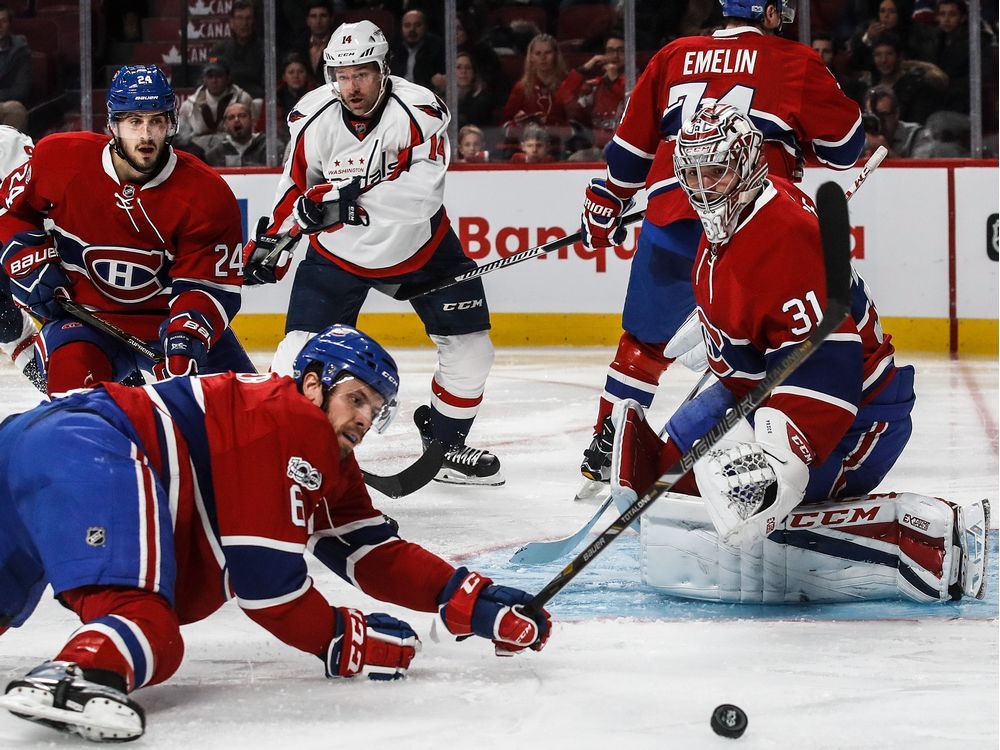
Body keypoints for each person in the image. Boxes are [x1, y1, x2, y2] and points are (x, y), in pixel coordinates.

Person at [0, 324, 551, 742]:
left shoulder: (312, 442)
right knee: (147, 626)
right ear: (313, 385)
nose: (363, 417)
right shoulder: (293, 423)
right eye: (355, 398)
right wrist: (342, 639)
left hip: (28, 437)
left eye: (375, 409)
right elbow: (265, 586)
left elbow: (370, 550)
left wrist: (467, 599)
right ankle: (75, 674)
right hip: (93, 444)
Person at [607, 103, 987, 606]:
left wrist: (781, 459)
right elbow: (763, 306)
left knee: (745, 512)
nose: (702, 188)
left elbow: (831, 368)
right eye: (691, 174)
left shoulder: (784, 234)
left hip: (859, 414)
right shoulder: (739, 216)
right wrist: (724, 335)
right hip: (765, 390)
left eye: (715, 172)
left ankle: (913, 539)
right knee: (669, 490)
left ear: (744, 164)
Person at [574, 0, 865, 498]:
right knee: (773, 342)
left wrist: (610, 197)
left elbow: (632, 146)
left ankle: (609, 446)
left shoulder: (673, 54)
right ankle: (773, 442)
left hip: (673, 204)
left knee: (644, 342)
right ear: (770, 12)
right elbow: (845, 149)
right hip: (757, 217)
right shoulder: (793, 60)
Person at [243, 21, 505, 486]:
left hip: (421, 250)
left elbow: (423, 195)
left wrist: (345, 202)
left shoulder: (419, 109)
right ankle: (284, 451)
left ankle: (447, 445)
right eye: (342, 76)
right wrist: (275, 245)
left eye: (362, 74)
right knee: (296, 356)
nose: (351, 86)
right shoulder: (313, 116)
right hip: (338, 257)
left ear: (383, 70)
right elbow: (296, 187)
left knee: (472, 350)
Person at [0, 65, 254, 397]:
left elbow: (206, 285)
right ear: (113, 124)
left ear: (170, 123)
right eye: (134, 121)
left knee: (246, 412)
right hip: (85, 322)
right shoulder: (59, 158)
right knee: (75, 416)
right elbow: (11, 210)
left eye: (156, 121)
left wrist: (185, 337)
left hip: (166, 322)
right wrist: (27, 257)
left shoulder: (208, 195)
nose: (146, 136)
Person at [0, 124, 42, 390]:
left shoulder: (5, 142)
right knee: (7, 328)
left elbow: (36, 202)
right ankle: (58, 386)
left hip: (30, 246)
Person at [561, 32, 627, 151]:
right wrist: (585, 68)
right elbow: (564, 97)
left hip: (626, 148)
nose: (615, 56)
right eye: (610, 51)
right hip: (596, 151)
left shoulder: (637, 81)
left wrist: (614, 79)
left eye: (621, 51)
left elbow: (633, 101)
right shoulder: (594, 86)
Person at [175, 57, 255, 152]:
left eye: (219, 76)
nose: (214, 80)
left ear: (228, 78)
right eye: (210, 76)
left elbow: (251, 132)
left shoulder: (243, 99)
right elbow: (182, 138)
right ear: (204, 79)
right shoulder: (189, 105)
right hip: (198, 152)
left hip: (234, 150)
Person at [210, 0, 267, 99]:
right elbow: (210, 73)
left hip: (256, 100)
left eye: (248, 18)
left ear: (254, 21)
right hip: (224, 100)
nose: (244, 23)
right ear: (231, 22)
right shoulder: (219, 50)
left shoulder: (265, 49)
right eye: (239, 18)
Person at [390, 9, 446, 91]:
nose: (412, 29)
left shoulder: (437, 47)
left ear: (425, 26)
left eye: (417, 25)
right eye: (407, 25)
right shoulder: (393, 48)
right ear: (401, 28)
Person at [205, 101, 270, 167]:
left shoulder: (269, 148)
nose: (236, 120)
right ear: (225, 126)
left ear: (252, 121)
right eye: (231, 117)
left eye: (242, 116)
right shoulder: (214, 155)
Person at [862, 86, 920, 157]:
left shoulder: (915, 135)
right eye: (872, 116)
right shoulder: (859, 137)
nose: (878, 121)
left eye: (883, 115)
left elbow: (921, 167)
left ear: (896, 114)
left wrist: (886, 152)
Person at [0, 5, 30, 132]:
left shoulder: (20, 50)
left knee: (15, 110)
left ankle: (6, 151)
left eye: (3, 21)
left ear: (9, 24)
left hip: (4, 103)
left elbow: (21, 89)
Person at [291, 0, 334, 84]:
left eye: (323, 16)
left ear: (331, 19)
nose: (318, 21)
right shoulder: (298, 45)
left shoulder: (338, 43)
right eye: (313, 16)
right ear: (307, 20)